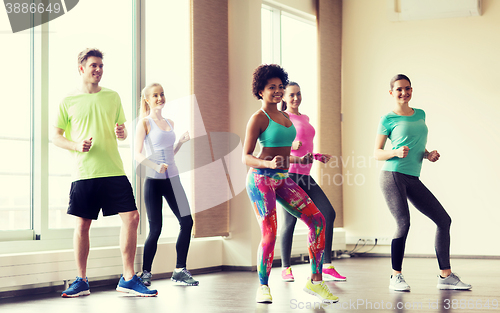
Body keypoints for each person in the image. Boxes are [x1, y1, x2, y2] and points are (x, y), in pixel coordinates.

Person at [53, 48, 157, 297]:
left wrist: (122, 133)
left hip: (113, 168)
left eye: (101, 66)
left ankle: (129, 278)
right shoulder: (68, 101)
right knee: (82, 225)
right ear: (82, 68)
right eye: (93, 66)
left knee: (132, 218)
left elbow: (120, 129)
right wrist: (76, 145)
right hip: (84, 172)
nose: (98, 70)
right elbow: (56, 137)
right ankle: (81, 280)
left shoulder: (113, 97)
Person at [243, 64, 338, 304]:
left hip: (283, 178)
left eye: (279, 87)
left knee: (318, 220)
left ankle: (315, 281)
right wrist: (268, 165)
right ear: (260, 91)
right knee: (270, 233)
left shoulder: (285, 117)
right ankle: (263, 287)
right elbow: (246, 156)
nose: (277, 91)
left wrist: (301, 159)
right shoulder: (258, 119)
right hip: (260, 180)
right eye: (271, 87)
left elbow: (283, 154)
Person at [374, 74, 471, 291]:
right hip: (393, 174)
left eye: (407, 88)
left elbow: (415, 145)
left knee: (444, 220)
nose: (404, 92)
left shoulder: (420, 114)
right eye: (399, 89)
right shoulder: (387, 119)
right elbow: (377, 153)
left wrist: (428, 155)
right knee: (404, 222)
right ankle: (395, 276)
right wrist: (395, 152)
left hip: (412, 177)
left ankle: (445, 276)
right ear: (391, 92)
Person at [279, 82, 346, 283]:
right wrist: (290, 145)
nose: (295, 98)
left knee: (328, 213)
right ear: (284, 97)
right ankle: (285, 267)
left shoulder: (304, 118)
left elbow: (304, 147)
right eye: (291, 95)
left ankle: (327, 265)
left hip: (305, 176)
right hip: (288, 176)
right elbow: (277, 148)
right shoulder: (282, 119)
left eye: (298, 94)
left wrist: (316, 155)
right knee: (290, 221)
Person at [134, 83, 198, 286]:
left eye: (162, 94)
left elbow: (169, 153)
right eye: (155, 95)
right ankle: (145, 273)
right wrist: (154, 165)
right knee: (156, 229)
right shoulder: (144, 123)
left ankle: (180, 270)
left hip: (173, 179)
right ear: (147, 99)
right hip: (153, 181)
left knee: (187, 222)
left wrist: (180, 142)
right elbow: (137, 154)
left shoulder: (170, 122)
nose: (160, 98)